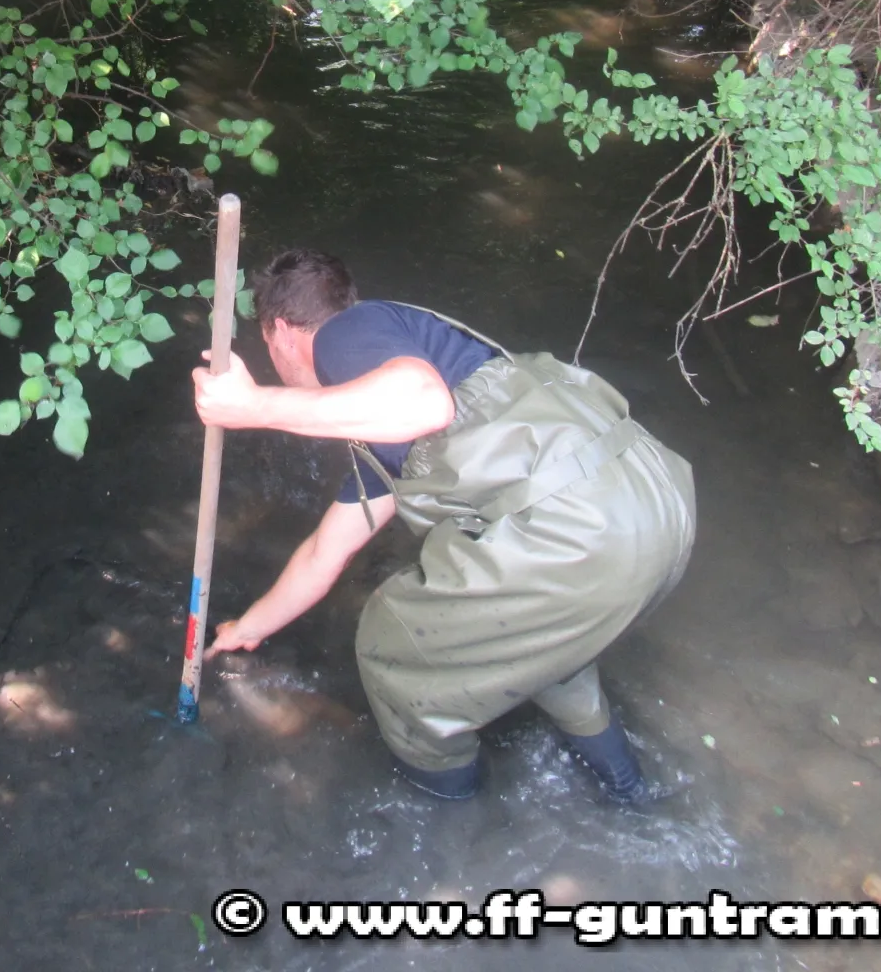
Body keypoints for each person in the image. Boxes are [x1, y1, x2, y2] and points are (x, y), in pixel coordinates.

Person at [193, 250, 695, 800]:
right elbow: (324, 553)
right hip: (653, 504)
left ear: (283, 333)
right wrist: (247, 629)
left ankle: (456, 818)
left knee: (392, 645)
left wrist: (254, 406)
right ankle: (630, 791)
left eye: (268, 346)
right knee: (543, 645)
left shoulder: (345, 334)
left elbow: (424, 403)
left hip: (579, 524)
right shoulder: (394, 409)